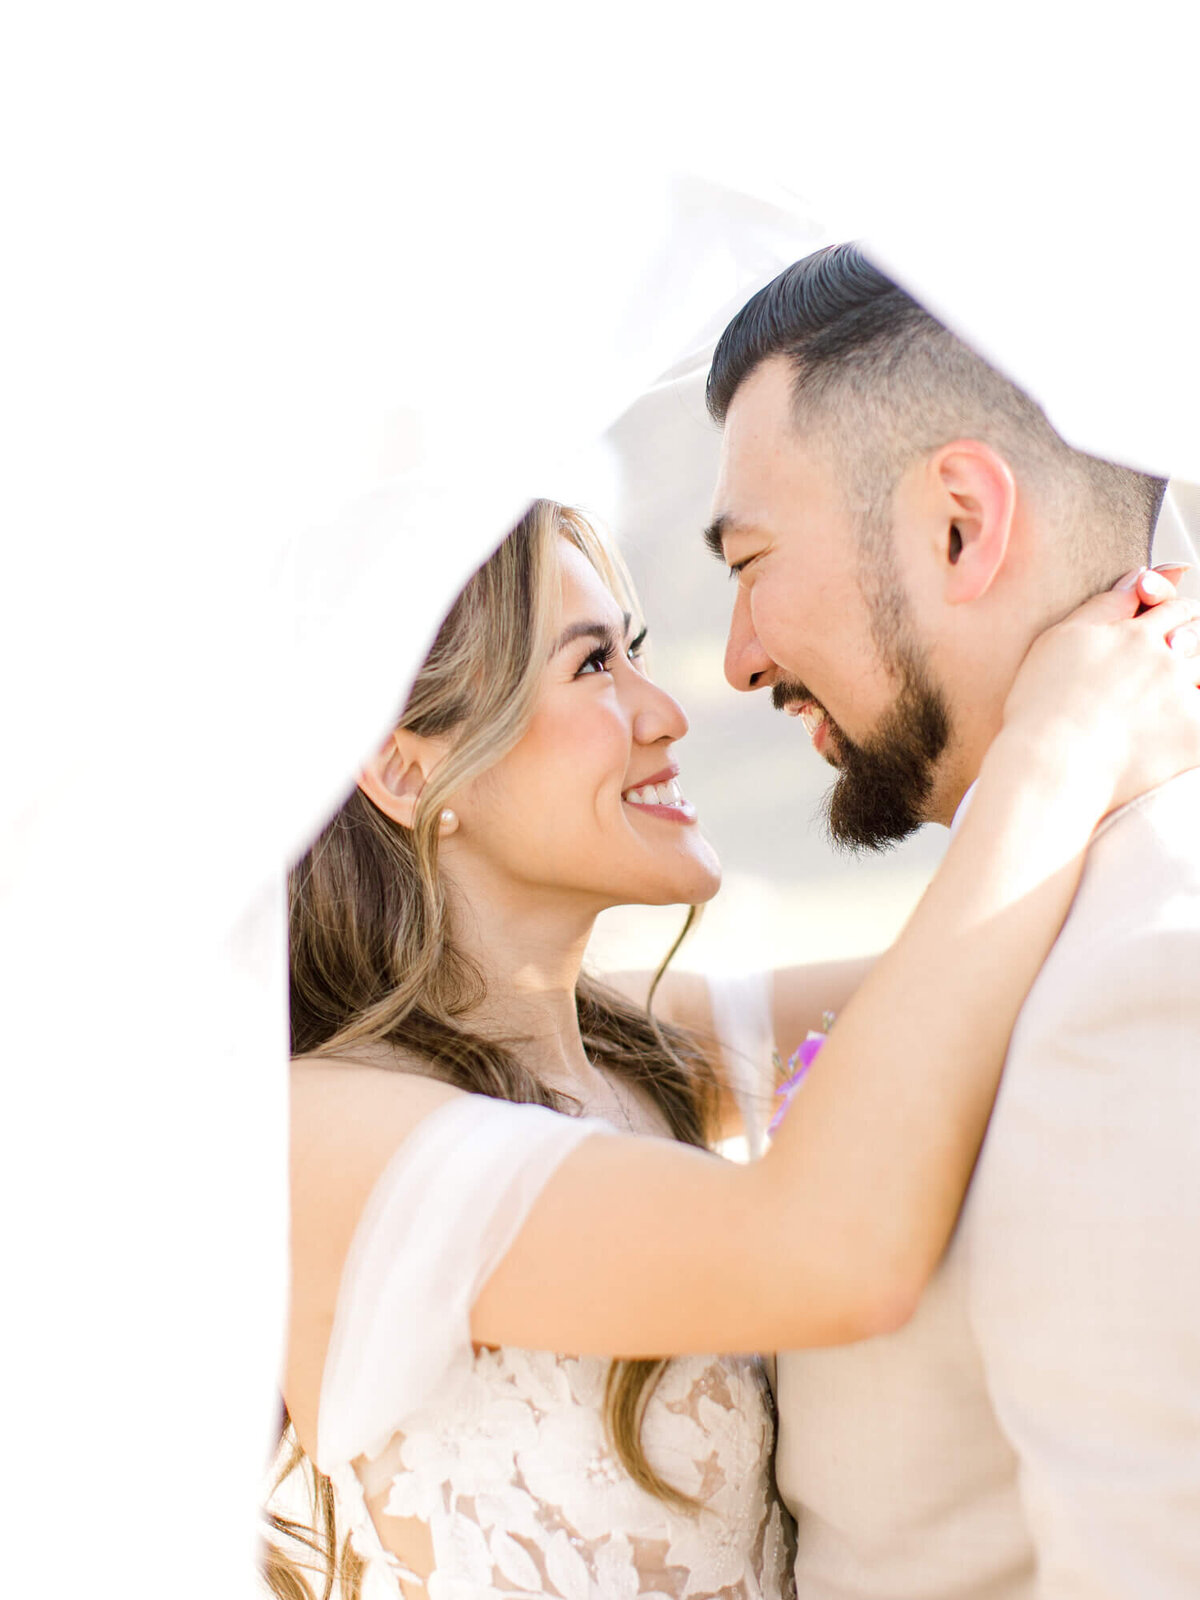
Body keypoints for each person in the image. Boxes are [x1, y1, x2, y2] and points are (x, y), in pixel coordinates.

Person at [268, 495, 1200, 1600]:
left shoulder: (634, 1051)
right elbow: (830, 1250)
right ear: (410, 770)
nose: (665, 713)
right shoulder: (317, 1134)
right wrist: (1055, 751)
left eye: (639, 654)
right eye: (591, 668)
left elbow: (992, 972)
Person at [702, 243, 1200, 1599]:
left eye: (751, 560)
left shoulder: (1152, 980)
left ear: (960, 526)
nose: (735, 655)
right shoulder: (1060, 913)